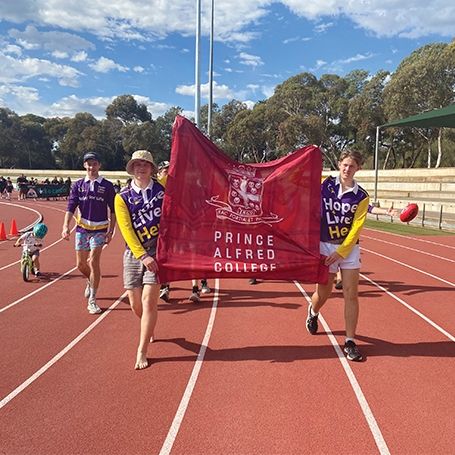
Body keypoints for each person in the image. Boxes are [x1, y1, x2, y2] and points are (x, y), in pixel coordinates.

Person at [306, 150, 369, 362]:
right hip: (324, 246)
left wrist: (341, 252)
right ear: (339, 164)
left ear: (358, 168)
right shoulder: (325, 185)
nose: (347, 169)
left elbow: (356, 227)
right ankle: (313, 312)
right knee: (323, 295)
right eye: (344, 165)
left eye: (352, 166)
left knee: (351, 294)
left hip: (348, 249)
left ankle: (350, 341)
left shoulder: (361, 196)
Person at [115, 150, 165, 370]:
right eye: (137, 164)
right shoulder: (122, 197)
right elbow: (126, 230)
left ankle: (142, 349)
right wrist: (142, 255)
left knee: (148, 302)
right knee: (135, 303)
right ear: (132, 168)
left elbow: (180, 171)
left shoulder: (162, 190)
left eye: (145, 164)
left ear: (152, 168)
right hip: (134, 253)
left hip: (158, 252)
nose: (141, 168)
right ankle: (149, 325)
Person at [61, 152, 116, 315]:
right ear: (85, 165)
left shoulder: (107, 185)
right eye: (88, 164)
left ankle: (93, 299)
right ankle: (90, 281)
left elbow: (113, 210)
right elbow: (71, 207)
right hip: (82, 229)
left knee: (94, 262)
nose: (92, 167)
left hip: (99, 229)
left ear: (99, 165)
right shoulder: (78, 185)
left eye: (94, 164)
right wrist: (65, 226)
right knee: (80, 264)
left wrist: (111, 230)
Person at [333, 204, 400, 290]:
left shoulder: (356, 197)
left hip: (349, 236)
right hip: (332, 236)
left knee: (350, 288)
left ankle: (340, 278)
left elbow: (369, 208)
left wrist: (386, 212)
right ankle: (337, 278)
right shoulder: (330, 195)